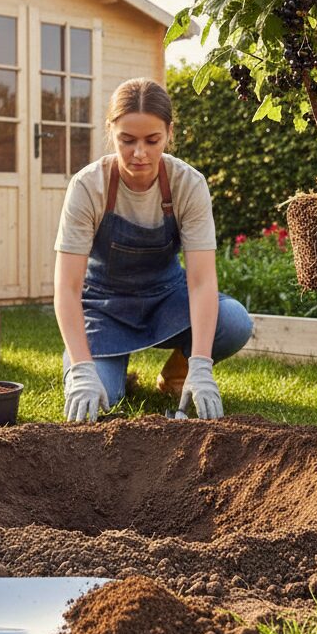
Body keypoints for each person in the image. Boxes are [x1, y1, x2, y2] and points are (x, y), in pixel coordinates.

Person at [53, 78, 254, 423]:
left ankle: (179, 375)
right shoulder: (88, 186)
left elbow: (202, 281)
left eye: (152, 140)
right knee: (104, 399)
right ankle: (96, 368)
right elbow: (67, 287)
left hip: (166, 299)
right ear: (111, 132)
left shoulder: (187, 184)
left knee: (234, 321)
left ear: (169, 133)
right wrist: (83, 369)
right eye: (127, 140)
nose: (140, 153)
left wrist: (202, 364)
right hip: (104, 307)